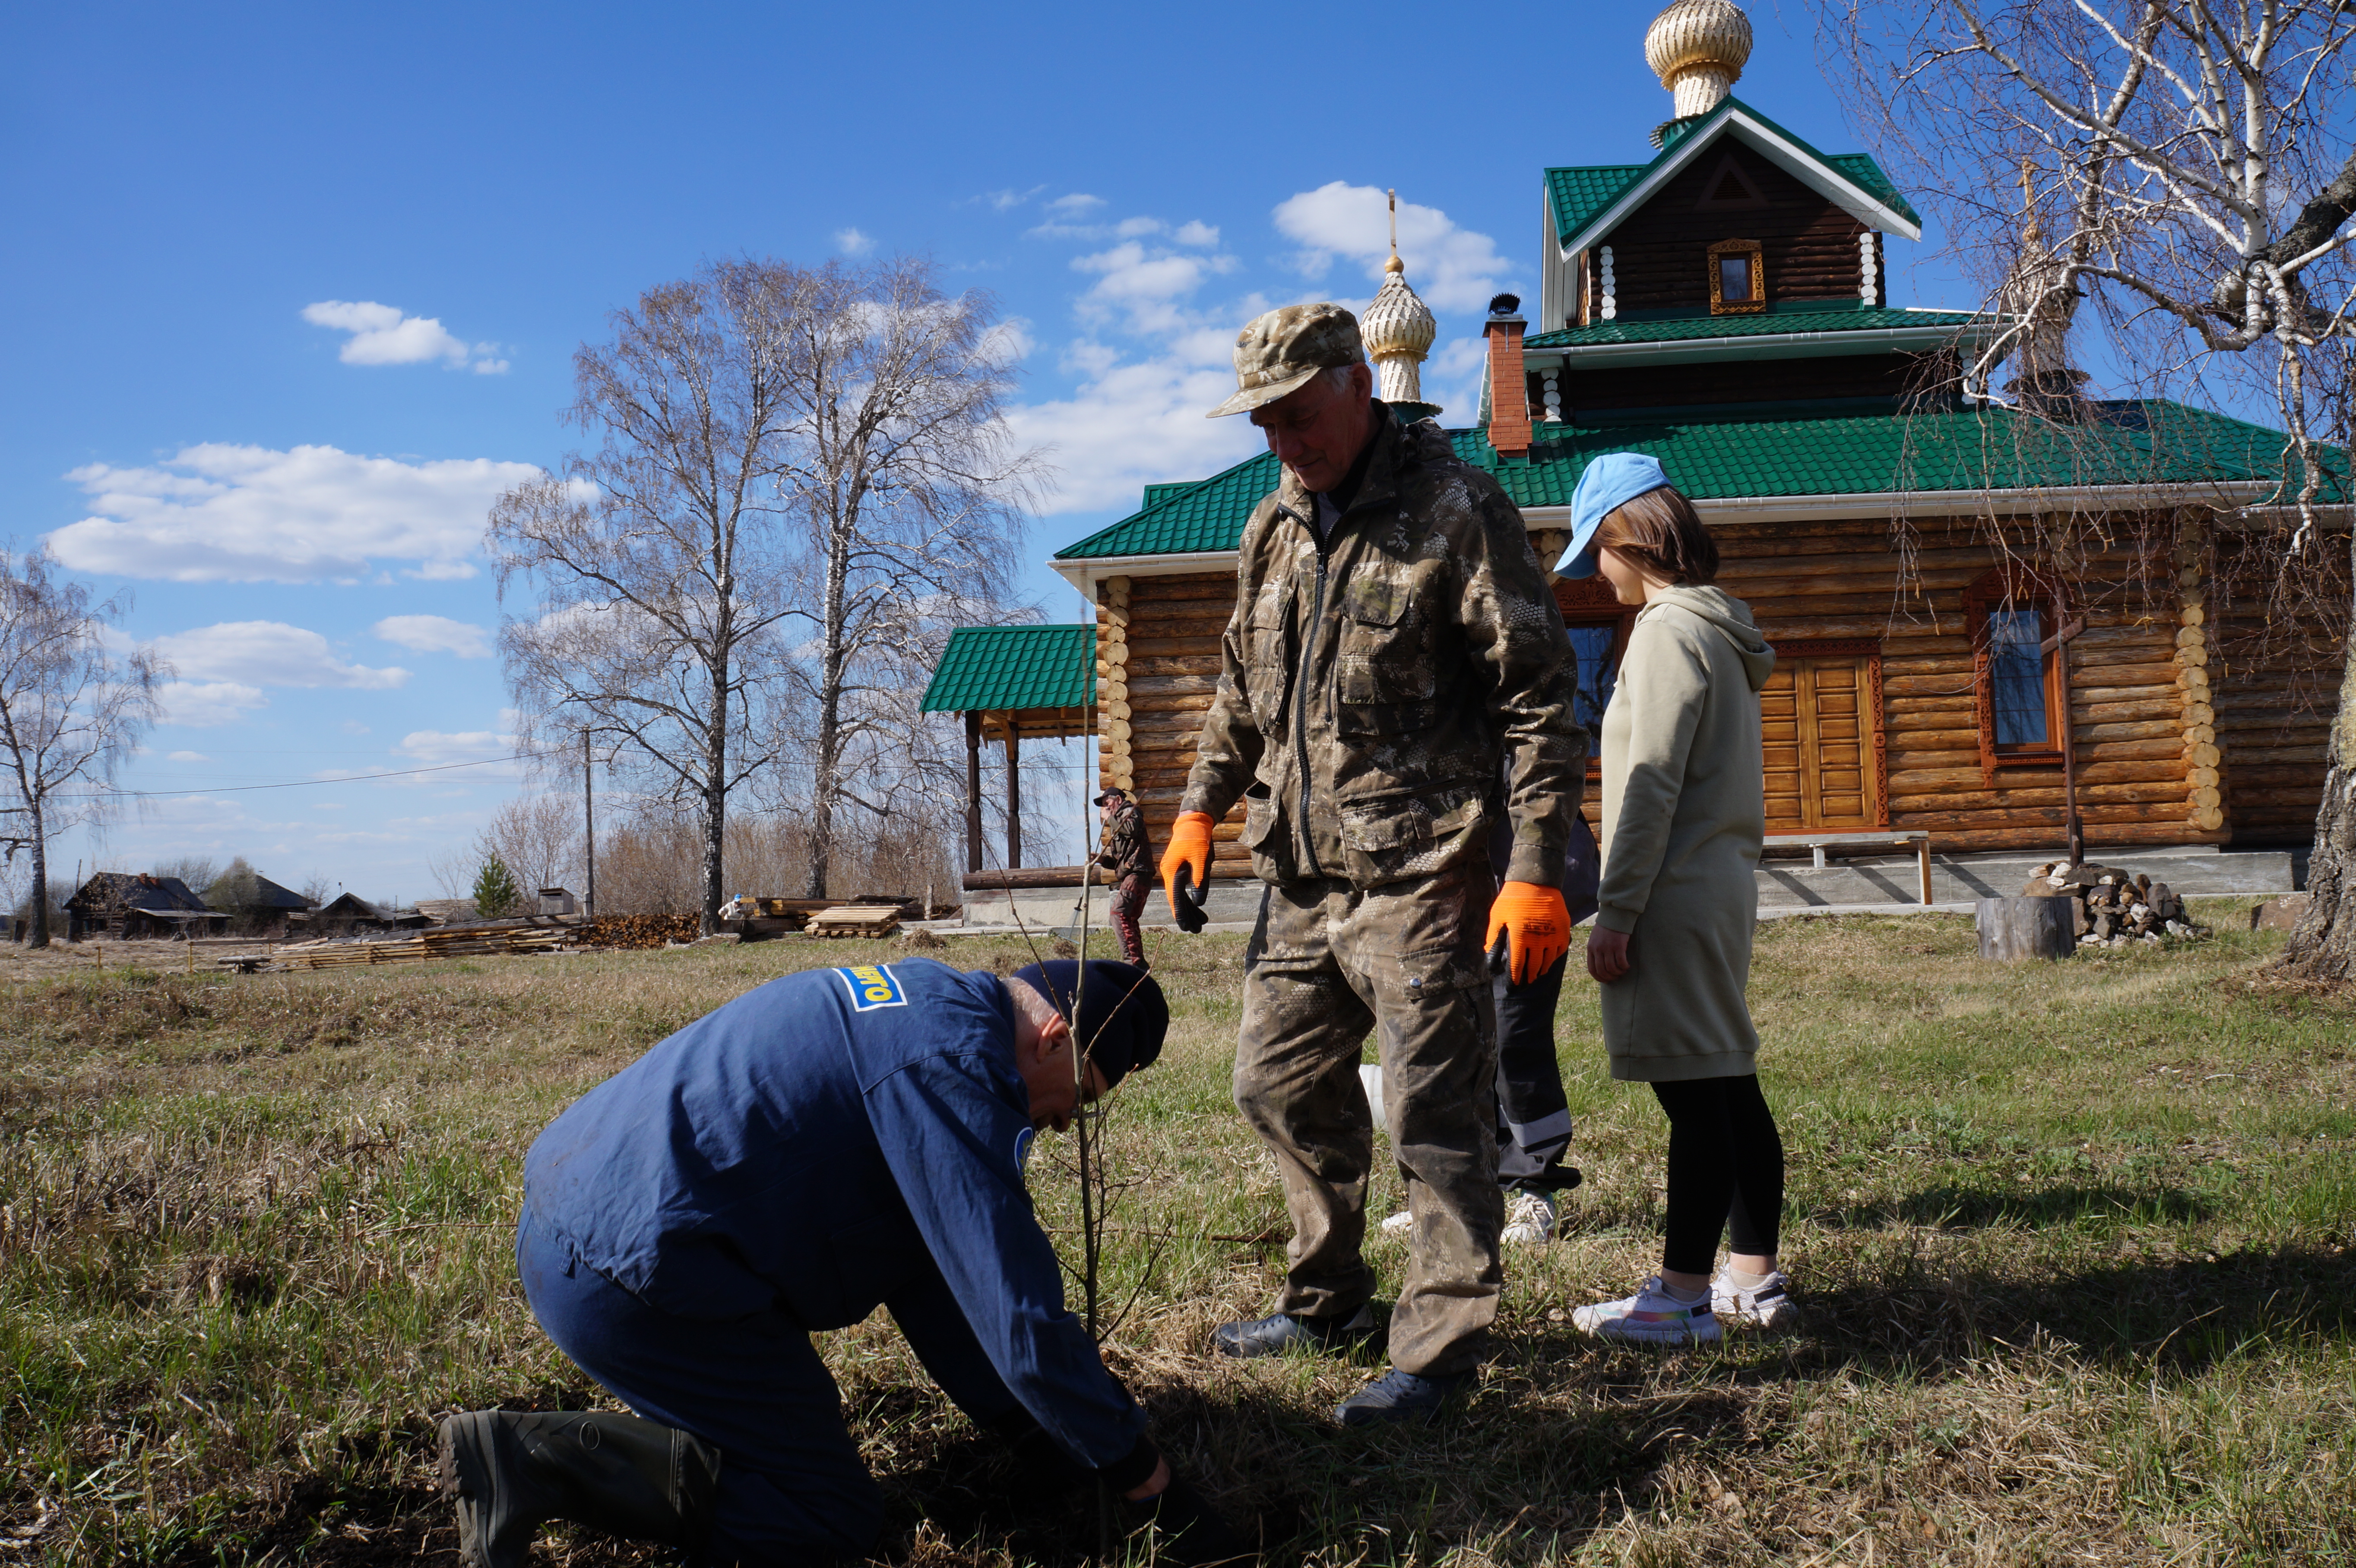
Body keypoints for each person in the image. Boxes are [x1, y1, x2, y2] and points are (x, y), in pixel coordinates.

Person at [436, 957, 1247, 1567]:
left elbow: (930, 1272)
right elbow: (1020, 1319)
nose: (1066, 1122)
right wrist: (1145, 1478)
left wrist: (1033, 1433)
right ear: (1055, 1036)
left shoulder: (925, 1004)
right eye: (1084, 1095)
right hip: (629, 1276)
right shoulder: (950, 1068)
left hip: (577, 1213)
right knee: (827, 1516)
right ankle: (533, 1460)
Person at [1162, 302, 1587, 1425]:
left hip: (1426, 868)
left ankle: (1441, 1350)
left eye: (1300, 415)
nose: (1286, 442)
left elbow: (1539, 697)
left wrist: (1535, 863)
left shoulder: (1457, 510)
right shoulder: (1273, 529)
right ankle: (1327, 1298)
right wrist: (1200, 809)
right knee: (1277, 1082)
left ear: (1359, 383)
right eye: (1266, 425)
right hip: (1302, 871)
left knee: (1435, 1109)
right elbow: (1239, 692)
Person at [1550, 453, 1796, 1346]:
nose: (1597, 575)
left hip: (1671, 892)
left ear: (1626, 537)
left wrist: (1616, 912)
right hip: (1716, 885)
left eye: (1597, 553)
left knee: (1695, 1095)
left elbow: (1647, 783)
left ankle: (1682, 1298)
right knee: (1727, 1079)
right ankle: (1751, 1278)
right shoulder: (1720, 628)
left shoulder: (1662, 632)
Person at [1368, 800, 1599, 1245]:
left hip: (1524, 886)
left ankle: (1535, 1186)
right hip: (1446, 892)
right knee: (1450, 1041)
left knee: (1515, 1041)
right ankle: (1456, 1192)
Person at [1094, 787, 1153, 966]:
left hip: (1138, 874)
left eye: (1107, 803)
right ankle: (1139, 963)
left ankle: (1132, 963)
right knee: (1128, 917)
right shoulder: (1120, 819)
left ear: (1118, 800)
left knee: (1118, 915)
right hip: (1134, 874)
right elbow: (1121, 862)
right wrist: (1102, 860)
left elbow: (1132, 830)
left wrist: (1109, 819)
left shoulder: (1130, 811)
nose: (1105, 808)